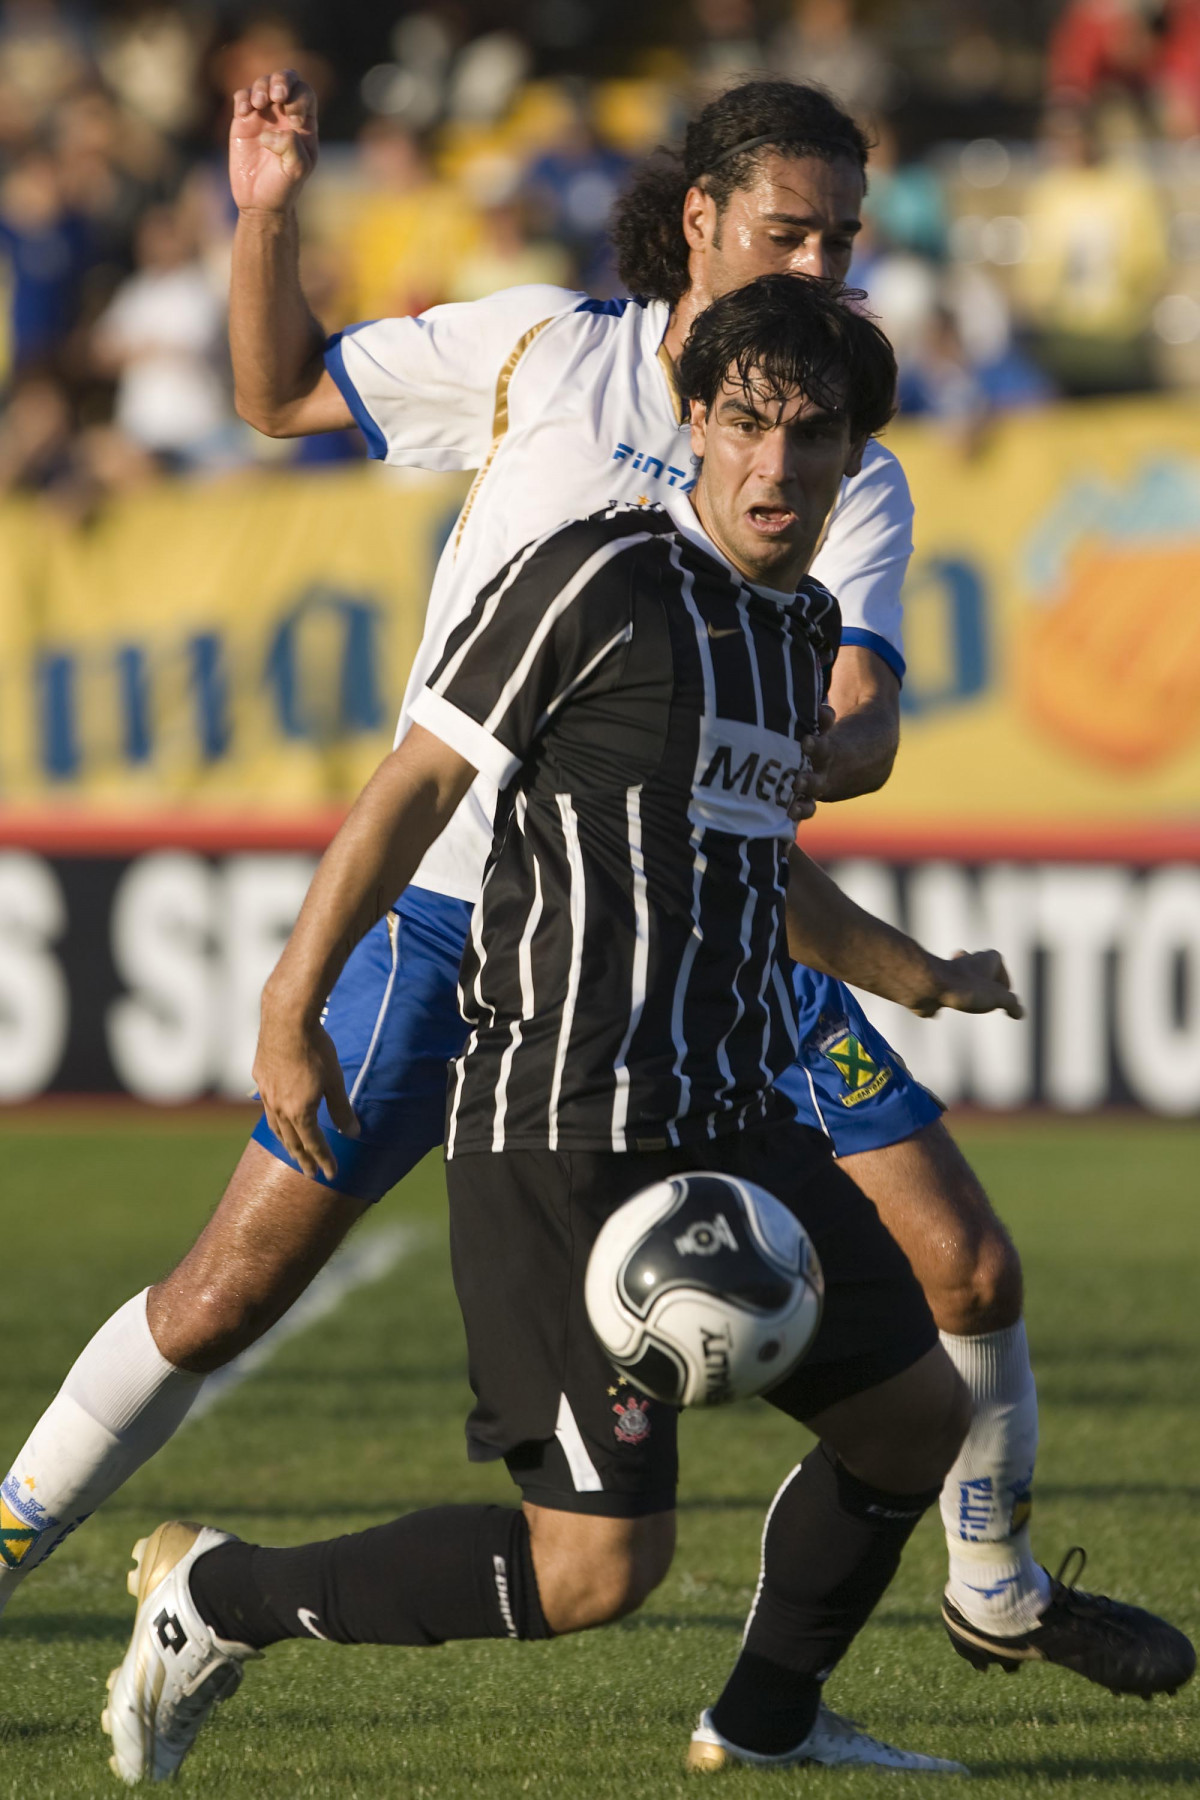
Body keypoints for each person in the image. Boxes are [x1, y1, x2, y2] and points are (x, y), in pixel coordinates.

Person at [2, 75, 1192, 1706]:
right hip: (460, 921)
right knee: (229, 1290)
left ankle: (982, 1590)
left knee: (967, 1266)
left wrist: (777, 748)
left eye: (846, 236)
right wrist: (270, 208)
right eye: (793, 229)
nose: (826, 263)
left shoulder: (849, 456)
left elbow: (855, 730)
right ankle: (21, 1538)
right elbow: (277, 394)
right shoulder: (541, 353)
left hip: (717, 909)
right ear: (701, 222)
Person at [103, 274, 978, 1785]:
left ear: (856, 458)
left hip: (731, 1118)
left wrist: (911, 974)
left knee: (915, 1426)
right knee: (593, 1575)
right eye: (749, 425)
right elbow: (415, 790)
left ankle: (766, 1730)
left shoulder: (801, 629)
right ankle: (213, 1599)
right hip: (560, 1127)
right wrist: (288, 1005)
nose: (778, 467)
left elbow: (755, 862)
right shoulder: (595, 580)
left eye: (815, 437)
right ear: (696, 420)